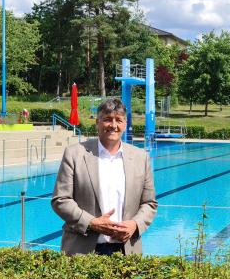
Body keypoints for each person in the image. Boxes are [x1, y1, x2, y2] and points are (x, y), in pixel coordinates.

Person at [51, 98, 157, 255]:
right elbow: (61, 200)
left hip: (126, 251)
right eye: (107, 119)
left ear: (125, 124)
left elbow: (149, 203)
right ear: (97, 122)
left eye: (118, 120)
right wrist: (91, 222)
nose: (113, 125)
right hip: (82, 250)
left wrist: (135, 224)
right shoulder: (75, 154)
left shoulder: (141, 157)